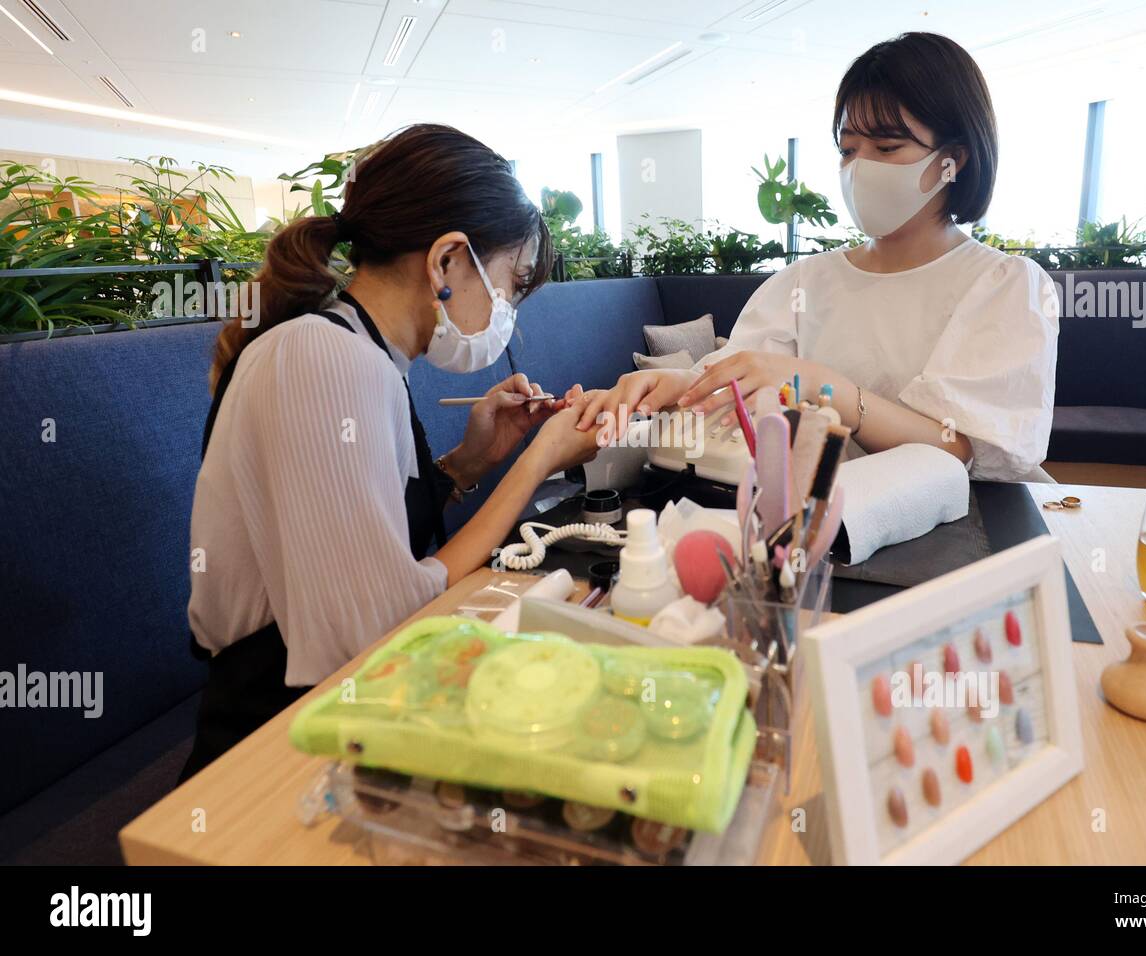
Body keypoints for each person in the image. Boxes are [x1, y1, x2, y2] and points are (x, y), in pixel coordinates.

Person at [181, 124, 598, 780]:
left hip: (334, 720)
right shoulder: (320, 359)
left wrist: (470, 463)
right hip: (274, 751)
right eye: (512, 285)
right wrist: (537, 462)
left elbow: (358, 529)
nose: (510, 310)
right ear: (447, 261)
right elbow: (376, 633)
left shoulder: (366, 355)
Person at [579, 32, 1059, 482]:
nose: (859, 168)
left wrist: (825, 386)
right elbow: (746, 378)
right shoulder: (804, 282)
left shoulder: (1004, 285)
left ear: (955, 159)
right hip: (814, 531)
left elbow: (958, 448)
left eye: (887, 146)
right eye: (848, 149)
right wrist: (677, 385)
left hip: (951, 536)